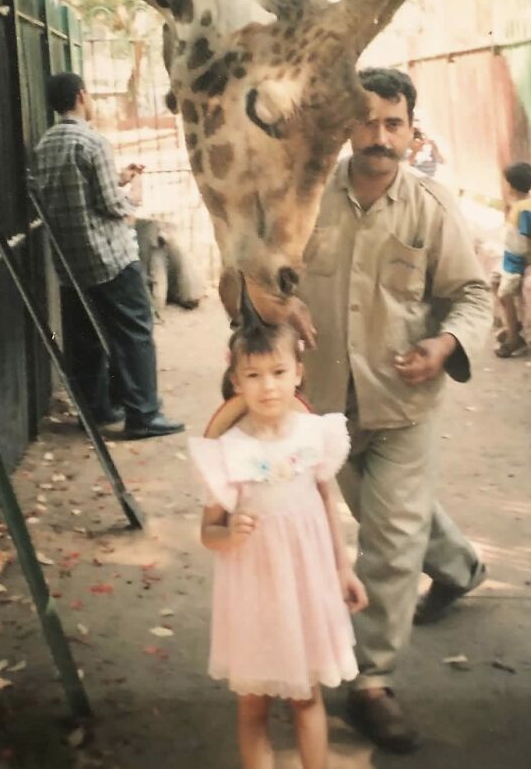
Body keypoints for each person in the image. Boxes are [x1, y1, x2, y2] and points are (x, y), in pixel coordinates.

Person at [288, 68, 492, 752]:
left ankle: (371, 681)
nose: (380, 136)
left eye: (393, 123)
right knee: (385, 512)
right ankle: (461, 565)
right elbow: (253, 276)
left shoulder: (431, 207)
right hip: (322, 407)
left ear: (411, 129)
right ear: (347, 125)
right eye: (368, 121)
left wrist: (444, 342)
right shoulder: (304, 197)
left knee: (392, 535)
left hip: (403, 401)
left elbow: (472, 295)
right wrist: (274, 301)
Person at [190, 321, 368, 769]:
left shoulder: (313, 434)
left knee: (307, 697)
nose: (267, 386)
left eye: (278, 372)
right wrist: (229, 535)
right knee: (253, 705)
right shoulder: (226, 451)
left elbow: (326, 501)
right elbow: (207, 531)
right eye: (253, 375)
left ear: (298, 373)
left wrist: (343, 568)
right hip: (253, 593)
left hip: (305, 589)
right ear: (236, 381)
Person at [33, 72, 184, 440]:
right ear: (82, 96)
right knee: (135, 332)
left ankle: (97, 410)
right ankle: (143, 414)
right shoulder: (93, 142)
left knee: (84, 336)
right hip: (109, 257)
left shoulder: (45, 145)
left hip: (70, 261)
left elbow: (78, 193)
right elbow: (114, 206)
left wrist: (116, 176)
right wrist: (134, 185)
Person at [492, 162, 531, 358]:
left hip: (519, 262)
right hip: (509, 259)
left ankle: (514, 339)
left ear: (512, 186)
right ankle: (511, 325)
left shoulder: (526, 209)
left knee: (504, 294)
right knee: (495, 283)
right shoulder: (519, 206)